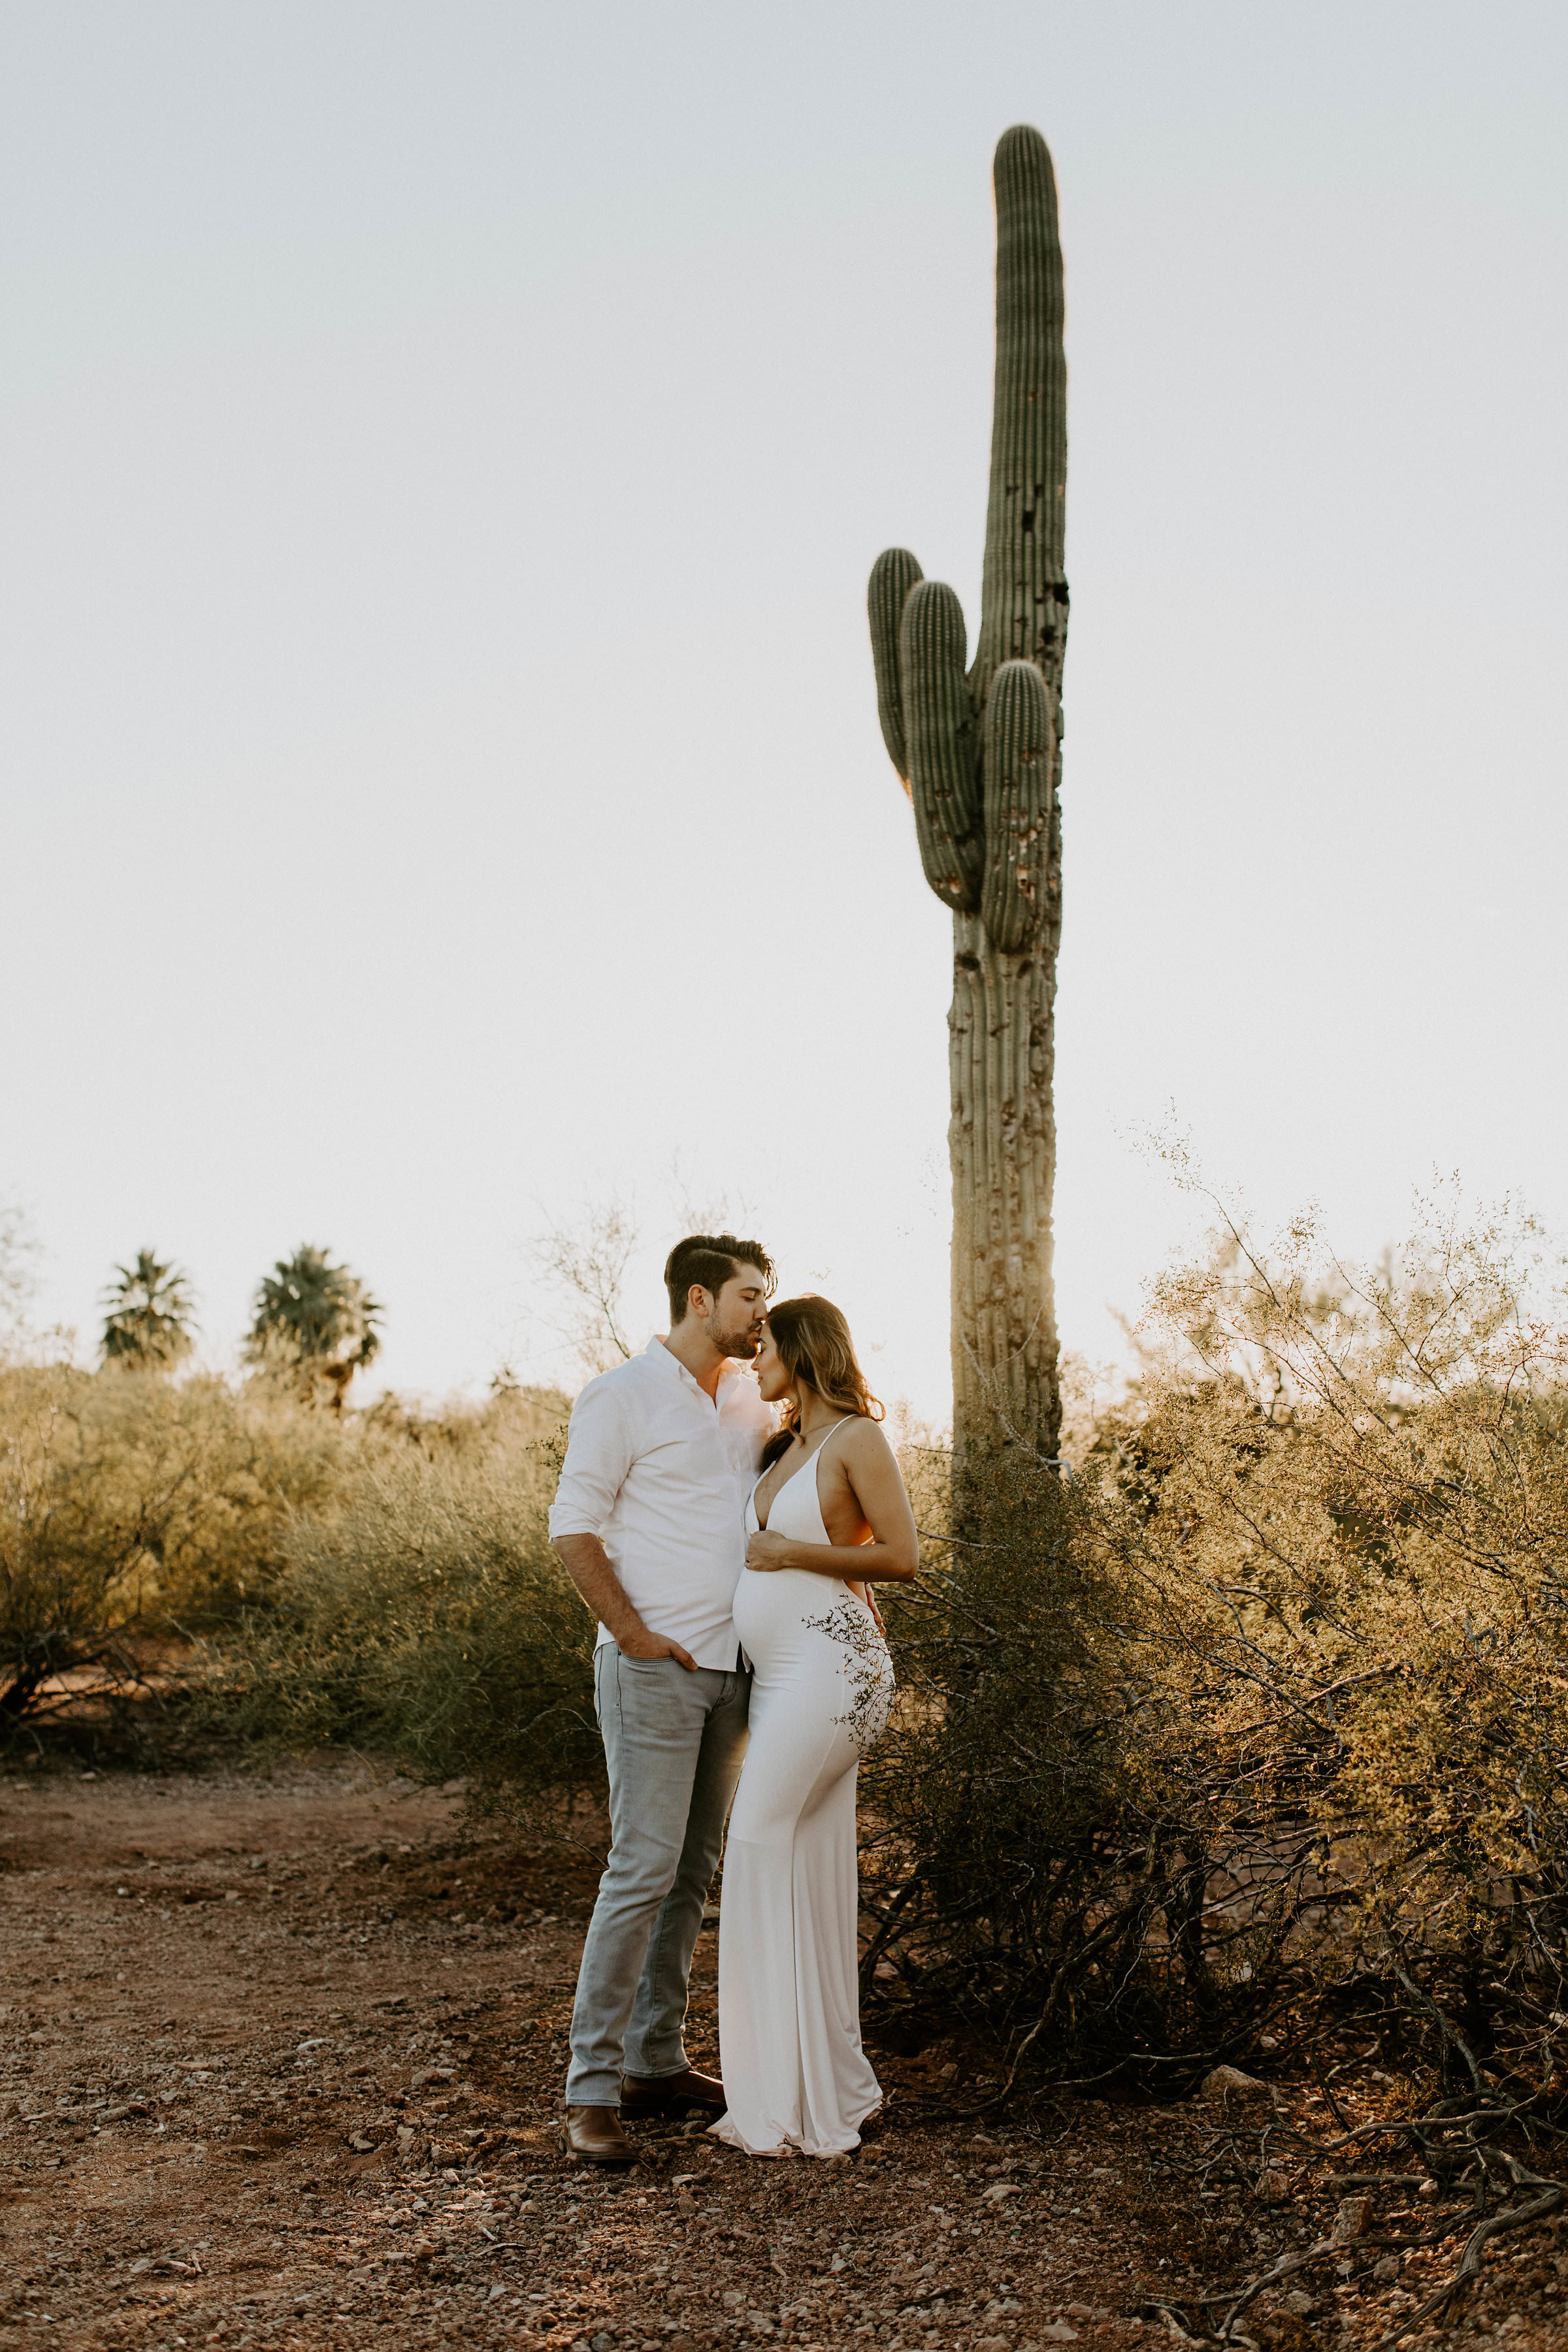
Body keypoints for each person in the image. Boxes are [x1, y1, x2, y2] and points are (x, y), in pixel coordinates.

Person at [548, 1233, 777, 2165]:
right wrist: (634, 1635)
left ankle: (657, 2062)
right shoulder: (621, 1395)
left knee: (690, 1876)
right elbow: (572, 1526)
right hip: (652, 1669)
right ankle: (589, 2090)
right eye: (750, 1296)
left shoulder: (746, 1398)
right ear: (698, 1299)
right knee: (640, 1871)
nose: (764, 1312)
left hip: (733, 1671)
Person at [711, 1295, 919, 2159]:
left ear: (801, 1352)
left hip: (838, 1673)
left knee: (757, 1838)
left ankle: (780, 2097)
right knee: (805, 1862)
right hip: (785, 1678)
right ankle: (820, 2089)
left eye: (765, 1350)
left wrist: (793, 1553)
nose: (755, 1364)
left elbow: (901, 1556)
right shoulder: (782, 1445)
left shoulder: (855, 1441)